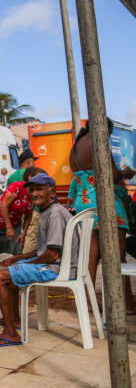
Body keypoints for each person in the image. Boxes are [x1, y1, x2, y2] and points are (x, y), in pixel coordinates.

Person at [0, 173, 73, 347]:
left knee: (0, 277)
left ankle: (11, 333)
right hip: (54, 264)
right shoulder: (47, 211)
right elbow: (44, 249)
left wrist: (26, 263)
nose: (34, 194)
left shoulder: (54, 215)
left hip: (56, 268)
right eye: (32, 190)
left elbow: (52, 254)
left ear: (52, 192)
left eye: (39, 189)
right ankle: (14, 319)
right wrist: (20, 257)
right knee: (10, 269)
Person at [68, 119, 136, 313]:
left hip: (84, 201)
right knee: (118, 254)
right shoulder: (97, 141)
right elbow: (112, 174)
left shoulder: (76, 146)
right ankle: (127, 302)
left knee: (91, 254)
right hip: (104, 201)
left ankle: (88, 301)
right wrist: (126, 172)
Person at [0, 167, 44, 296]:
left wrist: (23, 233)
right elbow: (3, 205)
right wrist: (8, 227)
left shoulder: (34, 194)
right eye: (34, 177)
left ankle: (14, 281)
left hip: (15, 224)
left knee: (18, 253)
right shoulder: (17, 187)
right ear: (28, 177)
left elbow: (29, 214)